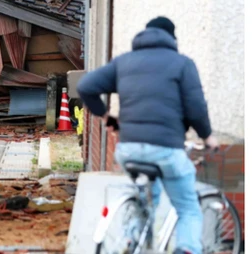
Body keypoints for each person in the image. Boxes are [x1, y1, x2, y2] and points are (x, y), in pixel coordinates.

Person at [77, 16, 218, 254]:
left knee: (146, 200)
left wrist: (106, 116)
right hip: (166, 149)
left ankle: (133, 242)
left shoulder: (124, 62)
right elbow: (196, 109)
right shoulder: (182, 64)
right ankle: (187, 249)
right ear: (172, 38)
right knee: (188, 208)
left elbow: (85, 87)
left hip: (128, 149)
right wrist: (207, 137)